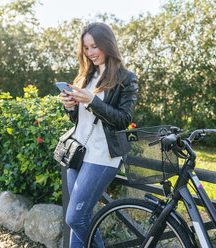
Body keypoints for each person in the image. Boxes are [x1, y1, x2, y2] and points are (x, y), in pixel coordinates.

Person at [60, 22, 138, 248]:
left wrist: (92, 101)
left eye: (94, 46)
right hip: (78, 152)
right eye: (86, 48)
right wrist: (70, 107)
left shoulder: (126, 78)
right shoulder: (85, 76)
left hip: (103, 156)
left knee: (75, 218)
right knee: (79, 220)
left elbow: (123, 119)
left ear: (107, 44)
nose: (90, 52)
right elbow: (79, 121)